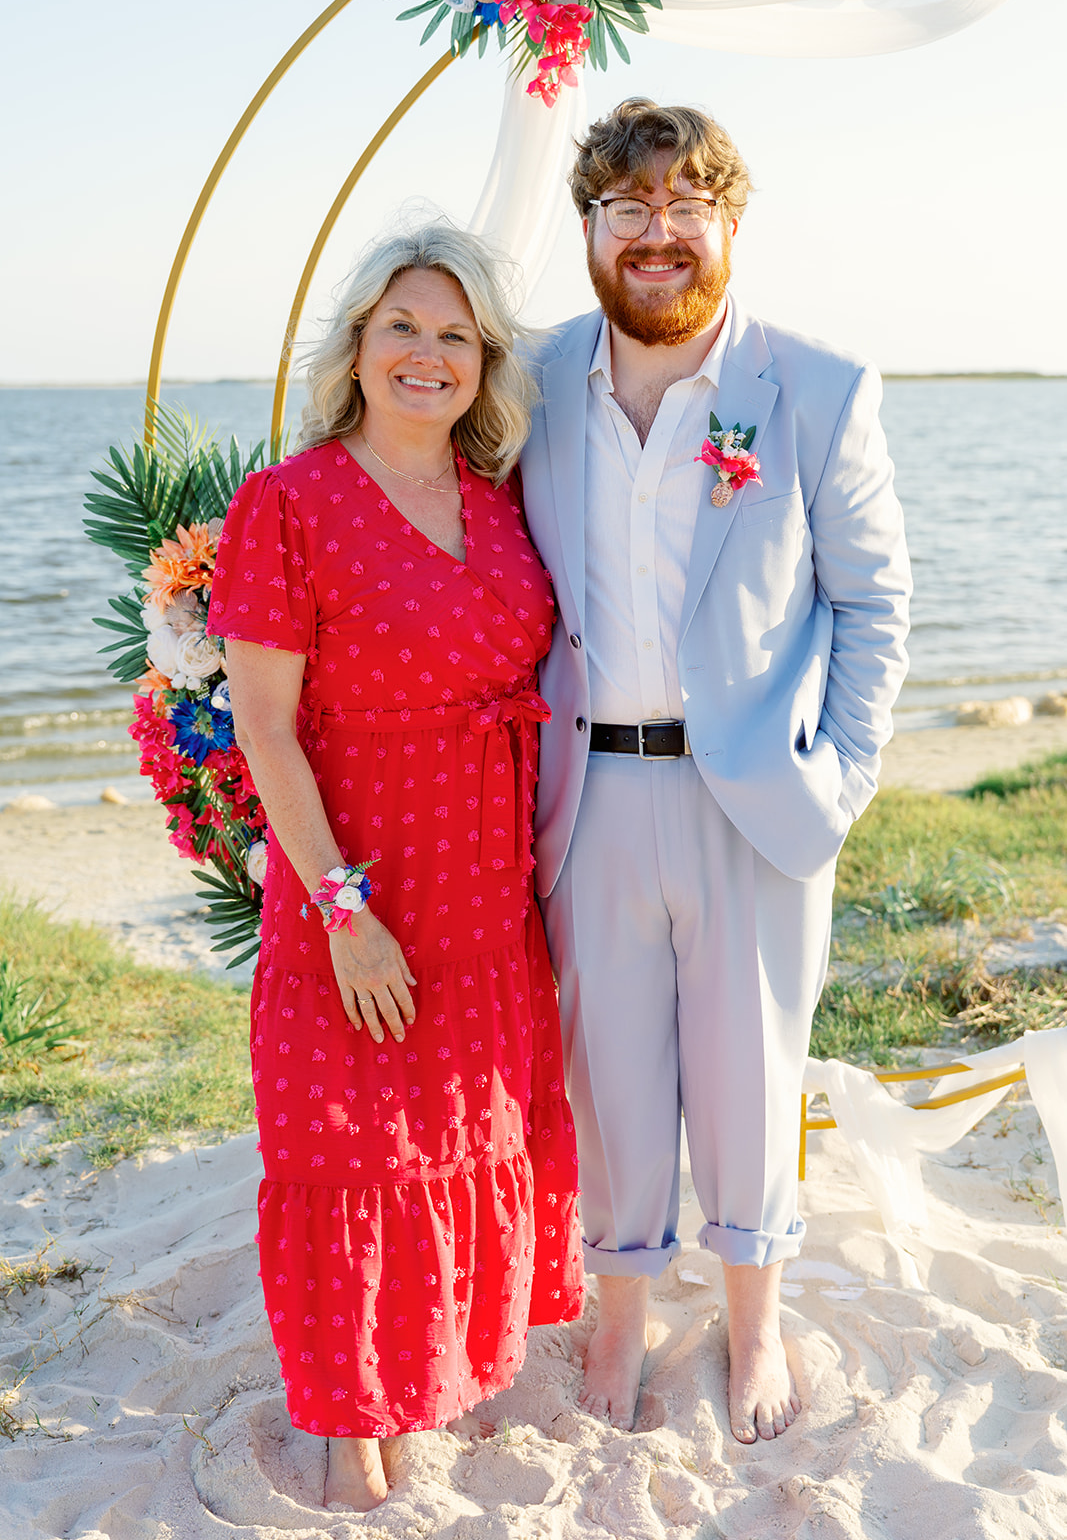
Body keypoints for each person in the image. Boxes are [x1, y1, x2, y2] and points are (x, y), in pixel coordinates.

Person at [519, 99, 911, 1441]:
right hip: (591, 798)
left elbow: (875, 608)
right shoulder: (530, 385)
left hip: (754, 802)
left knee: (752, 1077)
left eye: (688, 205)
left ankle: (755, 1329)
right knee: (610, 1076)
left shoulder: (817, 387)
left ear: (731, 223)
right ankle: (619, 1322)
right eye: (628, 208)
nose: (658, 234)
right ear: (589, 228)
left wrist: (839, 781)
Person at [206, 223, 583, 1512]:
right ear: (357, 347)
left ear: (486, 362)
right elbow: (265, 726)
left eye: (456, 335)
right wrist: (342, 909)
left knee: (460, 1130)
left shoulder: (502, 499)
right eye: (403, 328)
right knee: (351, 1143)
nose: (429, 355)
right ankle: (348, 1429)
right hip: (360, 875)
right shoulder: (292, 503)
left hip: (487, 881)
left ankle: (435, 1373)